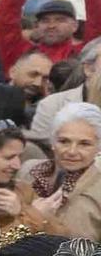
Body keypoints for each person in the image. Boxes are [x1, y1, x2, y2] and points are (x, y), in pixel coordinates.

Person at [28, 101, 101, 241]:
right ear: (52, 142)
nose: (72, 151)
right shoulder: (29, 173)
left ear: (98, 147)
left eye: (84, 144)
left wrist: (41, 219)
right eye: (64, 141)